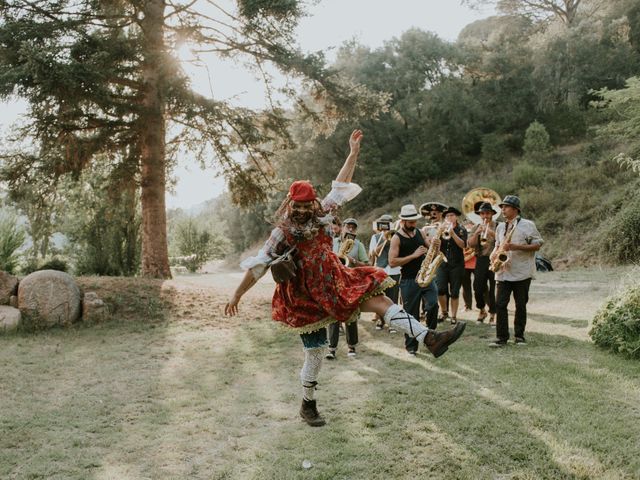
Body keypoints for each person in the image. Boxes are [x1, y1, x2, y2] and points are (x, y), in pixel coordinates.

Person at [224, 130, 466, 427]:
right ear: (290, 205)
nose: (301, 211)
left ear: (313, 203)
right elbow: (260, 265)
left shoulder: (323, 212)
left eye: (306, 206)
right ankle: (307, 405)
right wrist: (237, 294)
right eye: (296, 207)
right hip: (305, 296)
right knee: (314, 354)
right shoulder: (283, 231)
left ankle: (429, 338)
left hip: (336, 280)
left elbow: (340, 186)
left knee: (380, 300)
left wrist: (352, 153)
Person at [489, 195, 543, 347]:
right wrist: (494, 255)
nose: (503, 210)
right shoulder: (500, 226)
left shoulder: (528, 225)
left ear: (515, 210)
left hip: (521, 272)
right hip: (502, 272)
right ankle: (501, 338)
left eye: (506, 207)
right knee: (500, 305)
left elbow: (537, 245)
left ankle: (519, 336)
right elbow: (498, 245)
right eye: (502, 207)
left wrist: (515, 247)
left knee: (520, 305)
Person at [388, 204, 441, 356]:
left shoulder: (419, 232)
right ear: (403, 221)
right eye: (410, 222)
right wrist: (413, 255)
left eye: (414, 221)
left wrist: (436, 246)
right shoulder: (396, 238)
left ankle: (432, 337)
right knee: (411, 315)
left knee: (432, 306)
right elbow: (392, 262)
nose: (413, 224)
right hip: (409, 280)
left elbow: (432, 251)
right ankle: (411, 347)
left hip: (426, 276)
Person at [326, 218, 369, 359]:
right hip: (334, 282)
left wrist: (355, 262)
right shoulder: (332, 242)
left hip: (350, 282)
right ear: (342, 228)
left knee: (351, 315)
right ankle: (331, 348)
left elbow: (366, 265)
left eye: (353, 228)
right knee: (333, 315)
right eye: (348, 227)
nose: (350, 230)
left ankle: (352, 347)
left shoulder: (359, 245)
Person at [369, 214, 401, 332]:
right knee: (380, 298)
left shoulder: (397, 236)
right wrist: (385, 241)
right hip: (381, 270)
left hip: (394, 270)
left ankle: (392, 323)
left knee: (393, 298)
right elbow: (373, 253)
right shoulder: (375, 237)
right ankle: (381, 320)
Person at [435, 207, 468, 324]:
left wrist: (453, 234)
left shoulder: (462, 230)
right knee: (440, 289)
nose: (449, 218)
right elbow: (436, 247)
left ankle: (454, 316)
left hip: (457, 264)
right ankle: (444, 312)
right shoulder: (441, 229)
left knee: (454, 291)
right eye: (447, 216)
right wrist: (438, 234)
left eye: (452, 215)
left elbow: (463, 245)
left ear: (456, 217)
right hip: (442, 263)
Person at [467, 202, 498, 324]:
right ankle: (481, 309)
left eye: (488, 213)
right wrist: (476, 233)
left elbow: (502, 239)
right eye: (483, 213)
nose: (485, 216)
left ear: (492, 214)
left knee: (493, 289)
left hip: (495, 258)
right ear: (480, 215)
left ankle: (493, 313)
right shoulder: (476, 227)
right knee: (478, 288)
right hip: (481, 259)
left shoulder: (499, 226)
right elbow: (470, 244)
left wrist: (489, 231)